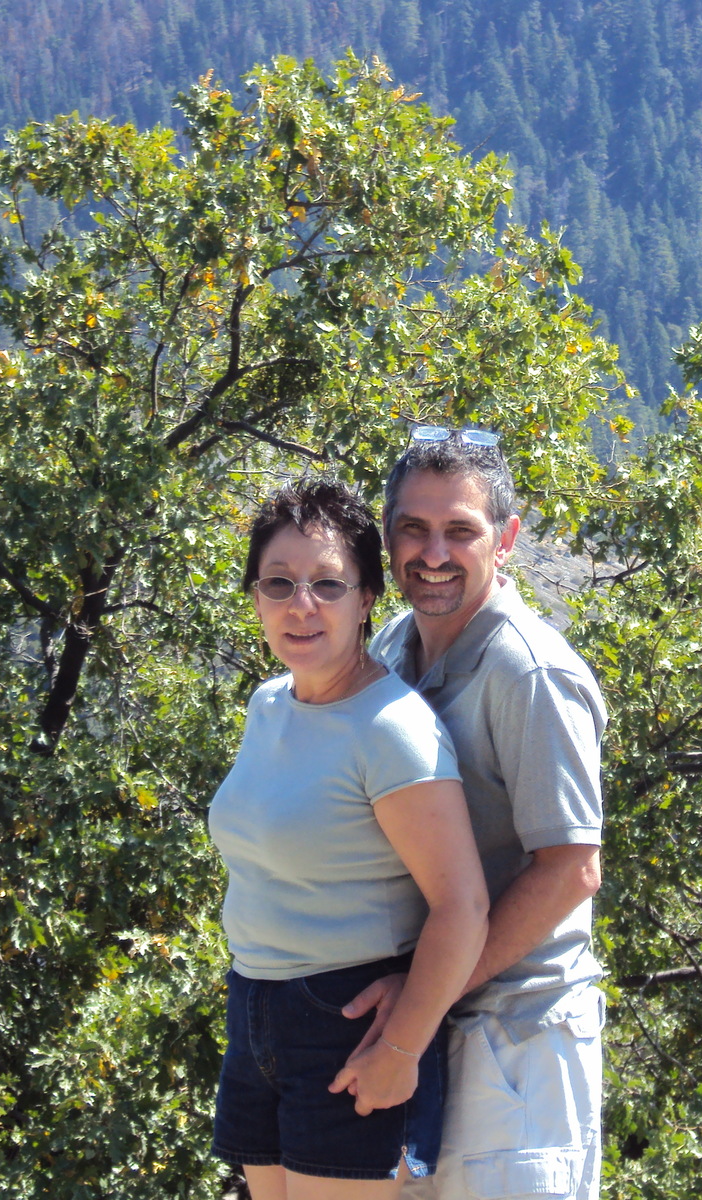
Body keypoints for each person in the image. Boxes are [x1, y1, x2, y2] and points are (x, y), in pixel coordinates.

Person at [207, 477, 490, 1200]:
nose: (301, 605)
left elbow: (462, 906)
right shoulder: (269, 704)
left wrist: (401, 1047)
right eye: (279, 582)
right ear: (255, 596)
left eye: (328, 585)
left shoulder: (391, 730)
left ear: (366, 599)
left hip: (347, 1022)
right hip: (255, 1007)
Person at [347, 428, 607, 1200]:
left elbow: (571, 871)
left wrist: (424, 997)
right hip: (421, 1036)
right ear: (387, 537)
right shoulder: (393, 648)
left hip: (516, 1048)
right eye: (413, 528)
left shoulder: (529, 673)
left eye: (460, 530)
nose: (434, 553)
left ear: (507, 538)